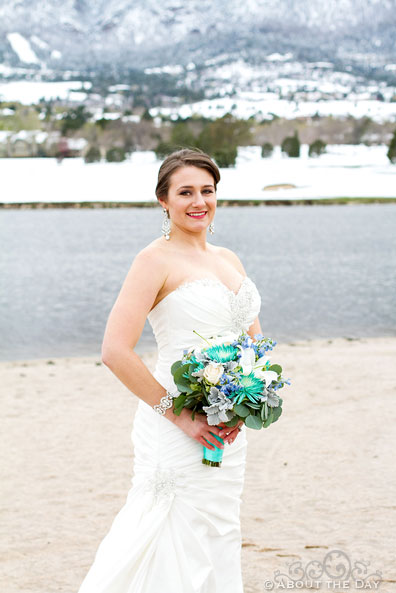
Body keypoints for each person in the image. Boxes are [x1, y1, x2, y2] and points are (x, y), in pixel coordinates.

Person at [77, 148, 262, 593]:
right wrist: (182, 415)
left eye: (207, 190)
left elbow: (254, 342)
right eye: (185, 192)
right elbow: (115, 351)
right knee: (170, 533)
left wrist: (250, 396)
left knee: (217, 534)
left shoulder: (229, 259)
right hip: (176, 425)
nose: (199, 201)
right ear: (163, 200)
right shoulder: (153, 261)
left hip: (226, 427)